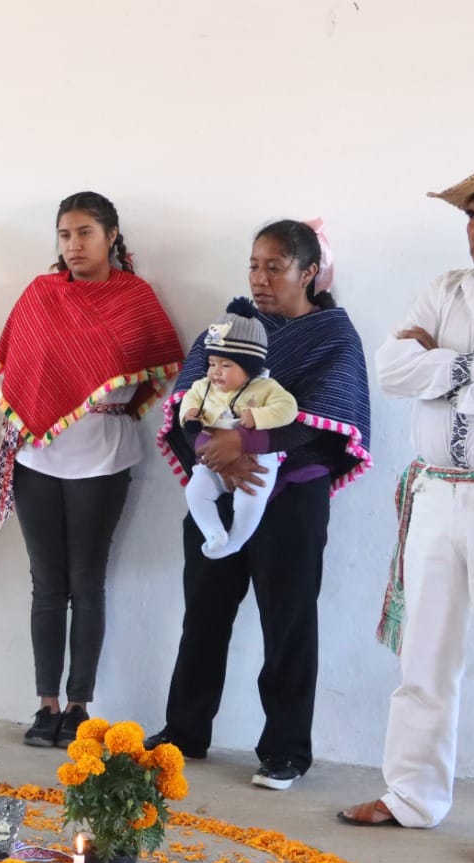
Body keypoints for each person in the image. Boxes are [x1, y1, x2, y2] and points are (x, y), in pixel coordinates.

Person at [151, 219, 372, 790]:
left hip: (293, 496)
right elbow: (185, 404)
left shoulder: (334, 338)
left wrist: (248, 442)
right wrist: (213, 448)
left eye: (275, 266)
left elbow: (331, 421)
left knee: (288, 620)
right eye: (254, 264)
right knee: (203, 611)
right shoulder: (226, 331)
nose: (261, 277)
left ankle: (286, 750)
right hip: (221, 485)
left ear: (309, 272)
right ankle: (185, 731)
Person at [337, 157, 474, 863]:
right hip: (434, 489)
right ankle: (412, 795)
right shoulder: (447, 289)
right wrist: (472, 368)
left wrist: (441, 368)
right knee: (423, 651)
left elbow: (422, 373)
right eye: (473, 215)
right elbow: (391, 369)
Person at [0, 191, 181, 749]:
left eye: (85, 234)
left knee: (86, 581)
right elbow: (16, 370)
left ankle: (79, 705)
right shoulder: (40, 294)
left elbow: (159, 361)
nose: (74, 246)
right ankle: (44, 703)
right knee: (46, 584)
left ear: (112, 235)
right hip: (35, 458)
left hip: (103, 456)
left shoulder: (134, 298)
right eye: (65, 235)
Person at [180, 307, 298, 558]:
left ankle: (235, 540)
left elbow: (289, 409)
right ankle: (214, 533)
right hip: (212, 457)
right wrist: (189, 413)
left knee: (250, 501)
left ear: (249, 368)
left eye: (226, 365)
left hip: (256, 462)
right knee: (195, 491)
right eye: (212, 363)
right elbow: (189, 398)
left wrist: (258, 417)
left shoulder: (266, 387)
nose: (215, 372)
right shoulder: (204, 386)